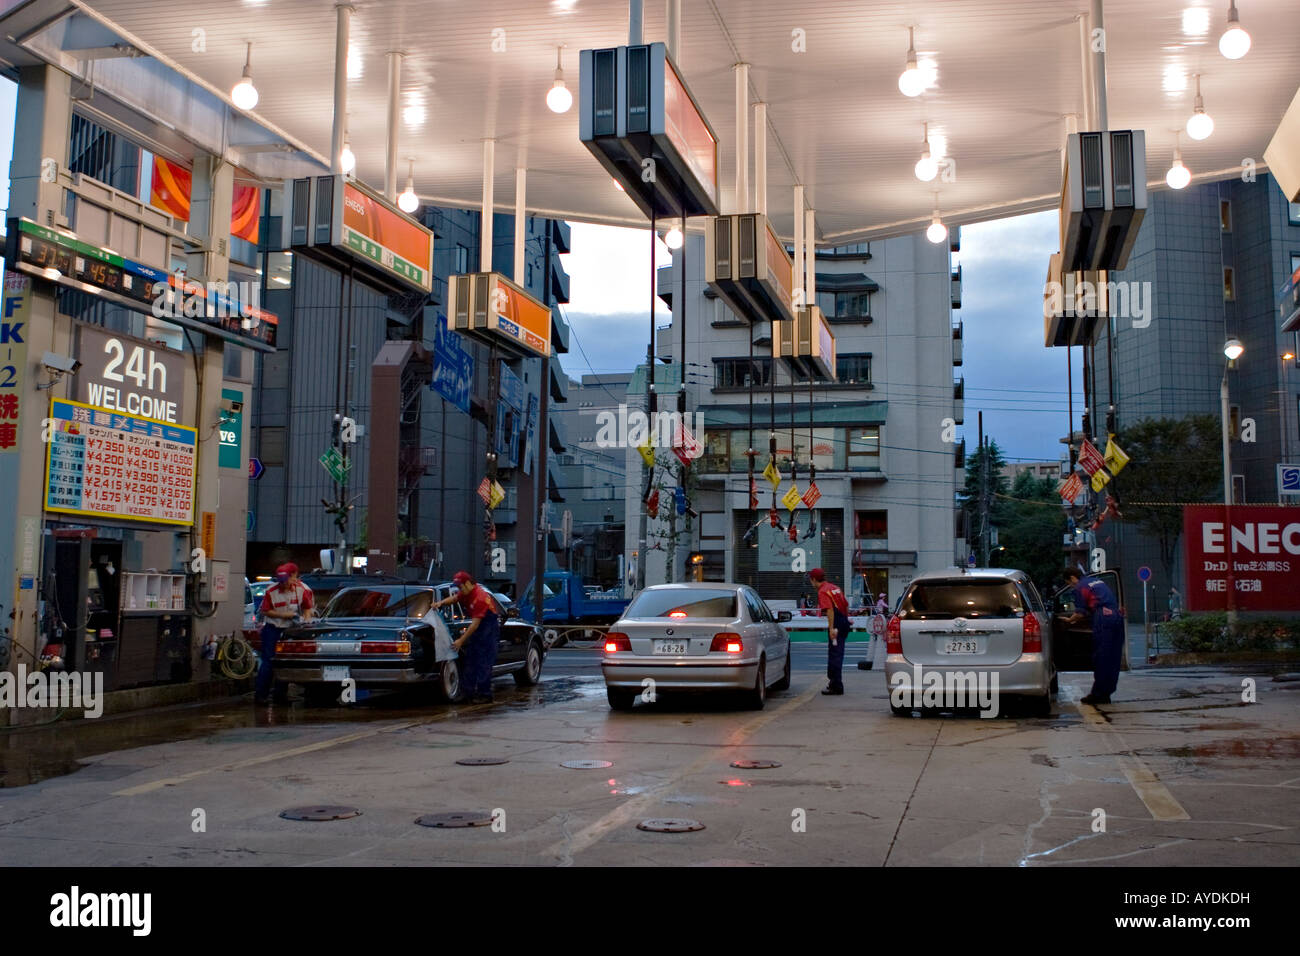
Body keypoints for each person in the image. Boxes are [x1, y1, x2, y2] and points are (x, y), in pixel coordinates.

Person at [432, 571, 501, 703]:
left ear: (468, 583)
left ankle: (484, 694)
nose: (459, 589)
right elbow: (454, 599)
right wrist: (440, 603)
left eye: (460, 586)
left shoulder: (479, 597)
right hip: (479, 630)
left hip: (488, 630)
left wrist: (460, 641)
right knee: (471, 660)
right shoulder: (466, 592)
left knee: (483, 662)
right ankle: (467, 692)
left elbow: (475, 624)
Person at [254, 563, 314, 705]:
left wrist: (306, 620)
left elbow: (307, 607)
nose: (284, 584)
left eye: (287, 580)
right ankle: (261, 696)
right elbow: (265, 610)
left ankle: (280, 695)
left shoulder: (301, 589)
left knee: (285, 662)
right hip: (273, 629)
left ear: (294, 576)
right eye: (281, 581)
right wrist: (284, 615)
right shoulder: (271, 590)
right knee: (269, 662)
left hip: (290, 630)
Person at [1063, 567, 1124, 706]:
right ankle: (1106, 693)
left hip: (1103, 619)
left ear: (1073, 578)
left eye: (1069, 583)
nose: (1071, 586)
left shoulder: (1080, 587)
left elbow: (1080, 613)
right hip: (1116, 616)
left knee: (1101, 657)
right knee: (1113, 658)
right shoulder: (1097, 581)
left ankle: (1098, 694)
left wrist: (1068, 620)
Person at [809, 568, 851, 696]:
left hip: (836, 623)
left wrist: (831, 628)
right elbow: (846, 604)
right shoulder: (834, 587)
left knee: (835, 655)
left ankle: (836, 685)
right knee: (838, 653)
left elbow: (830, 610)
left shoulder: (822, 591)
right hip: (843, 621)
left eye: (811, 579)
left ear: (814, 579)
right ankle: (834, 683)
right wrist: (846, 619)